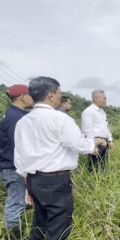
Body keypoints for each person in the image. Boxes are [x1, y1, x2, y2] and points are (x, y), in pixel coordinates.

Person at [14, 77, 97, 240]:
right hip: (55, 182)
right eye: (59, 93)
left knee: (39, 224)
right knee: (59, 228)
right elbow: (77, 143)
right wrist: (91, 146)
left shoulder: (23, 122)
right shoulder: (60, 119)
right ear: (51, 95)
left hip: (33, 180)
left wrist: (27, 184)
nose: (60, 97)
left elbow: (20, 156)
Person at [0, 84, 33, 239]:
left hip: (12, 166)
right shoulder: (16, 118)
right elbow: (19, 147)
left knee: (20, 203)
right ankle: (12, 236)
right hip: (15, 167)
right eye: (30, 95)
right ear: (22, 97)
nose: (32, 98)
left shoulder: (12, 114)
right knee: (16, 204)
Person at [81, 90, 114, 173]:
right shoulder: (89, 111)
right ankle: (91, 185)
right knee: (94, 169)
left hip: (104, 144)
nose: (106, 100)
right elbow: (87, 131)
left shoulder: (102, 112)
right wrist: (91, 147)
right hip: (96, 145)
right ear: (96, 99)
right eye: (104, 98)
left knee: (102, 167)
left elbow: (106, 127)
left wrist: (110, 140)